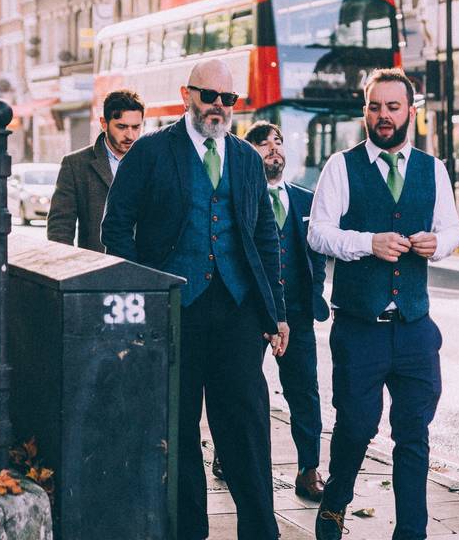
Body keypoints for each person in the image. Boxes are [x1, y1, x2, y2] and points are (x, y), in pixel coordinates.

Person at [100, 59, 288, 540]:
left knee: (246, 428)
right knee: (179, 430)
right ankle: (189, 531)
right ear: (187, 95)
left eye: (229, 100)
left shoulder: (246, 159)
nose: (219, 108)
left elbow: (265, 238)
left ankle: (261, 531)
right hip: (174, 312)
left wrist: (275, 314)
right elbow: (116, 226)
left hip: (237, 312)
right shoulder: (152, 152)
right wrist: (142, 294)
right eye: (210, 97)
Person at [308, 68, 459, 540]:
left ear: (410, 113)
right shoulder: (341, 165)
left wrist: (438, 243)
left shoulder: (432, 169)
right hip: (360, 327)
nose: (383, 116)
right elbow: (318, 232)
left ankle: (411, 532)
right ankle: (336, 502)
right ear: (365, 111)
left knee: (414, 434)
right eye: (375, 107)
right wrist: (367, 242)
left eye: (393, 108)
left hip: (415, 326)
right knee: (355, 428)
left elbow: (452, 229)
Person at [242, 120, 329, 501]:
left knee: (304, 392)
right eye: (263, 143)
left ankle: (309, 470)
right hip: (250, 310)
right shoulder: (240, 196)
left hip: (297, 311)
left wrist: (314, 290)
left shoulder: (306, 199)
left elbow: (317, 252)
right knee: (243, 389)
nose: (273, 148)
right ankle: (232, 457)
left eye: (277, 141)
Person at [47, 90, 144, 252]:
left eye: (136, 127)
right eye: (121, 126)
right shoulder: (75, 164)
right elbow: (60, 228)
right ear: (104, 123)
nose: (130, 135)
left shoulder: (153, 161)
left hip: (145, 270)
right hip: (96, 269)